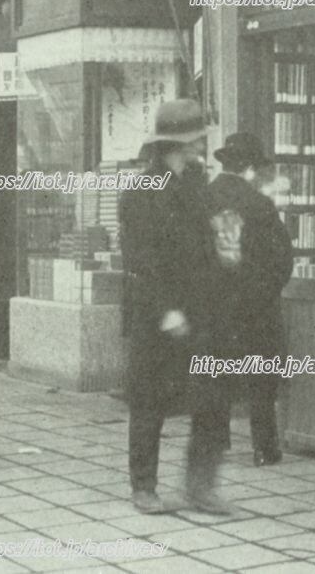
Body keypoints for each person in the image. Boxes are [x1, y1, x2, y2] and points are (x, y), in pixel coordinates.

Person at [118, 99, 225, 515]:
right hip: (157, 312)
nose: (201, 145)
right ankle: (143, 487)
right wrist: (167, 310)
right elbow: (139, 260)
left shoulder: (198, 186)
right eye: (197, 139)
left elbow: (209, 246)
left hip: (201, 310)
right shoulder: (141, 192)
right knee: (149, 402)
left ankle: (200, 487)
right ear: (178, 143)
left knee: (211, 398)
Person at [208, 132, 293, 468]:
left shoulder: (202, 199)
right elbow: (282, 258)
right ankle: (264, 448)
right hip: (256, 307)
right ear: (249, 167)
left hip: (214, 306)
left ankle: (215, 443)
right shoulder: (260, 204)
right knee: (261, 376)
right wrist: (266, 291)